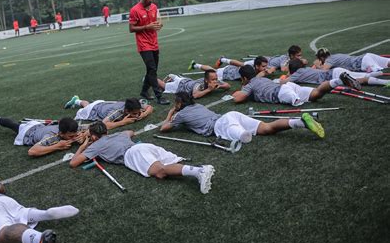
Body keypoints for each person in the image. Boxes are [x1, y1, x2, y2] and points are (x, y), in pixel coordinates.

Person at [69, 121, 215, 194]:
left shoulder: (96, 145)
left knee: (160, 171)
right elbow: (130, 131)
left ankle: (199, 172)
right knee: (169, 165)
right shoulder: (118, 134)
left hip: (133, 154)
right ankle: (199, 169)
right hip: (144, 146)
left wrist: (83, 146)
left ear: (93, 136)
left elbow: (73, 163)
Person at [160, 92, 325, 141]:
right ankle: (300, 122)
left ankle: (240, 134)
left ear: (179, 103)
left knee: (244, 138)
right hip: (231, 115)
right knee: (267, 129)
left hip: (220, 125)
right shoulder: (198, 105)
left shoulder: (180, 114)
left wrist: (170, 113)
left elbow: (164, 128)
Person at [232, 64, 360, 106]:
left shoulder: (250, 84)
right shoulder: (261, 79)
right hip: (288, 87)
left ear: (244, 78)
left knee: (301, 105)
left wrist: (243, 88)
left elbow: (238, 98)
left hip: (281, 93)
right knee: (316, 94)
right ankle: (339, 80)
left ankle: (339, 80)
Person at [129, 0, 169, 105]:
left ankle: (144, 91)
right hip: (143, 44)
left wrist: (159, 25)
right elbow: (131, 29)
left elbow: (157, 20)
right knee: (152, 69)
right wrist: (147, 27)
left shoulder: (154, 7)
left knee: (152, 69)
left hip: (154, 42)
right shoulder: (135, 10)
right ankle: (159, 96)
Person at [0, 113, 85, 156]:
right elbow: (32, 151)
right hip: (27, 133)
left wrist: (83, 135)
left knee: (14, 124)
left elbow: (92, 127)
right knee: (14, 126)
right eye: (71, 136)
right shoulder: (51, 137)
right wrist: (57, 146)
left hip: (38, 126)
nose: (74, 137)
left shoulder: (72, 129)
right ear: (61, 134)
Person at [63, 96, 153, 130]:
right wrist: (123, 122)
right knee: (87, 106)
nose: (137, 115)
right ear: (126, 111)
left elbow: (150, 107)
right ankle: (76, 101)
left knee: (87, 104)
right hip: (93, 110)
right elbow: (103, 125)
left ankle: (77, 100)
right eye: (134, 114)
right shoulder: (117, 113)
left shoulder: (135, 105)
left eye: (138, 113)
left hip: (103, 104)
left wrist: (143, 114)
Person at [283, 58, 389, 87]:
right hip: (335, 71)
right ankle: (377, 75)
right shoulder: (304, 69)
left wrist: (286, 76)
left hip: (333, 75)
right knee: (362, 76)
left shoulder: (297, 73)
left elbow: (284, 82)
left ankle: (385, 82)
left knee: (360, 80)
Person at [216, 45, 308, 75]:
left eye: (301, 55)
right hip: (262, 61)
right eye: (298, 56)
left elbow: (305, 61)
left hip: (267, 61)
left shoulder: (290, 58)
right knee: (242, 65)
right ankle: (223, 59)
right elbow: (284, 70)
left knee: (241, 66)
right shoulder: (286, 59)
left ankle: (227, 64)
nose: (300, 57)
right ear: (291, 55)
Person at [157, 69, 230, 99]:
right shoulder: (199, 84)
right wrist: (209, 89)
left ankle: (174, 77)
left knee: (179, 79)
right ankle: (150, 78)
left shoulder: (215, 81)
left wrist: (220, 86)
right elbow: (195, 95)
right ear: (206, 80)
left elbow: (228, 85)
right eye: (213, 79)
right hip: (179, 86)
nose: (215, 81)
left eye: (216, 79)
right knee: (162, 85)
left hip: (187, 81)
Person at [314, 47, 390, 72]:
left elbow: (324, 71)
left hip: (363, 62)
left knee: (379, 73)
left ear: (321, 58)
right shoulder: (336, 55)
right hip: (367, 56)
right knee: (388, 63)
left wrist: (318, 66)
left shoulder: (329, 60)